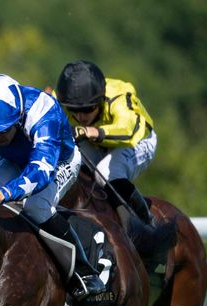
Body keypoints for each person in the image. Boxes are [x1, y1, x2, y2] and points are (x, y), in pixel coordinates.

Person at [0, 74, 106, 301]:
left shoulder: (44, 113)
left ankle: (83, 271)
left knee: (36, 206)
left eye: (3, 130)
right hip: (14, 160)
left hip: (57, 162)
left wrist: (5, 192)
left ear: (17, 118)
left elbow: (41, 170)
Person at [55, 60, 175, 258]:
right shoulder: (59, 101)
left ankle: (147, 229)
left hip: (135, 141)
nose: (79, 116)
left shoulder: (118, 95)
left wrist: (92, 131)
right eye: (73, 110)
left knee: (105, 174)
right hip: (95, 142)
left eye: (87, 109)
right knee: (72, 167)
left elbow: (129, 129)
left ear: (101, 100)